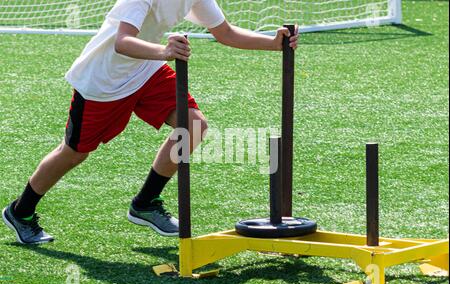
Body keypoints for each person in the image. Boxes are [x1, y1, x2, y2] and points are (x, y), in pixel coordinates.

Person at [2, 0, 299, 244]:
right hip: (104, 80)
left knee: (193, 125)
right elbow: (122, 42)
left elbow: (226, 33)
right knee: (74, 152)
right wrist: (164, 51)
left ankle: (145, 203)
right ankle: (21, 211)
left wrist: (273, 44)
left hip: (147, 70)